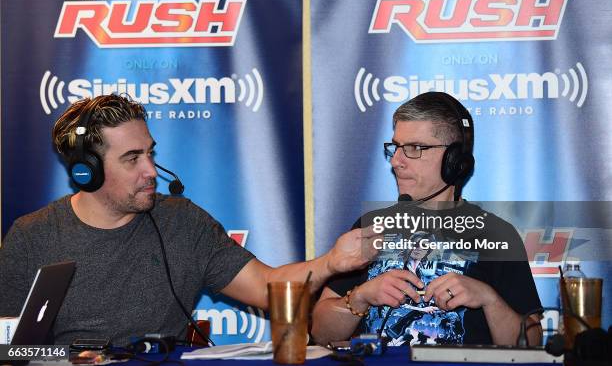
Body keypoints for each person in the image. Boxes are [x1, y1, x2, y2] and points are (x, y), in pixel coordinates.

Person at [0, 94, 375, 345]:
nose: (151, 170)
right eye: (132, 158)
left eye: (150, 153)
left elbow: (267, 287)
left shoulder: (182, 221)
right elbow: (8, 348)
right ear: (88, 172)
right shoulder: (32, 237)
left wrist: (330, 264)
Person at [311, 91, 543, 347]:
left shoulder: (496, 234)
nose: (396, 161)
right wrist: (360, 297)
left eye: (414, 148)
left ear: (455, 161)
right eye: (396, 147)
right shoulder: (370, 227)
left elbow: (531, 345)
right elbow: (321, 334)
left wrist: (489, 300)